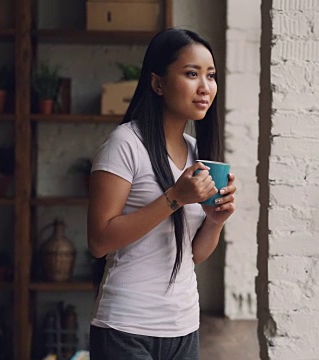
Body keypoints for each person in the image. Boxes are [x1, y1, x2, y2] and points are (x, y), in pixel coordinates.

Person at [87, 27, 237, 360]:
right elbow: (98, 240)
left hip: (183, 327)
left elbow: (192, 255)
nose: (205, 87)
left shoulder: (197, 152)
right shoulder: (124, 145)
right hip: (126, 328)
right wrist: (174, 198)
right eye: (191, 74)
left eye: (210, 76)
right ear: (157, 83)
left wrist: (214, 221)